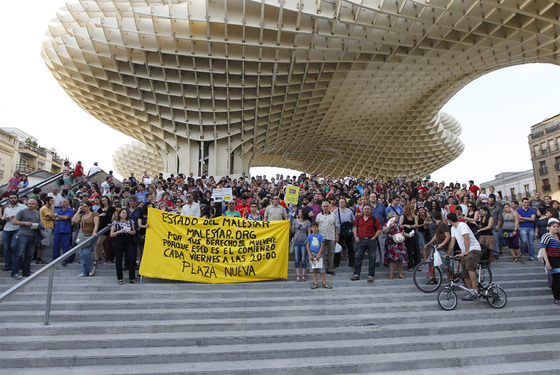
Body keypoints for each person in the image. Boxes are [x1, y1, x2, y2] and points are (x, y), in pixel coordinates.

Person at [446, 212, 482, 301]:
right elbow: (452, 241)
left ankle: (475, 290)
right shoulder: (453, 229)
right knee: (464, 273)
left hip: (473, 249)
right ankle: (470, 292)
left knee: (470, 268)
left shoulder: (462, 225)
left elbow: (466, 237)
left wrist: (466, 251)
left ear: (449, 220)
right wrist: (448, 253)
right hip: (465, 252)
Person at [11, 199, 42, 280]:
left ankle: (26, 271)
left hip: (32, 235)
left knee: (29, 255)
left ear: (36, 205)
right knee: (19, 254)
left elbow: (38, 222)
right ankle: (15, 272)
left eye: (32, 204)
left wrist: (39, 226)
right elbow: (14, 222)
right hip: (23, 235)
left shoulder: (36, 212)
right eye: (29, 203)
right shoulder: (22, 211)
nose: (30, 205)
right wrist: (24, 223)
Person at [352, 204, 382, 282]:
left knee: (372, 258)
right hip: (361, 240)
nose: (366, 210)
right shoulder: (359, 218)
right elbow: (355, 227)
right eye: (365, 209)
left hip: (370, 240)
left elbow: (379, 229)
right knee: (358, 257)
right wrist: (356, 236)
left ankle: (371, 275)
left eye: (368, 209)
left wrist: (374, 238)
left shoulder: (374, 219)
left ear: (371, 210)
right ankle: (356, 274)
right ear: (362, 210)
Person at [110, 208, 138, 284]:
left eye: (125, 213)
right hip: (118, 240)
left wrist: (129, 232)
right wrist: (119, 231)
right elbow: (111, 234)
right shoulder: (115, 222)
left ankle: (132, 277)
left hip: (129, 240)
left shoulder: (130, 222)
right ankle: (120, 278)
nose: (124, 214)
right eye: (122, 213)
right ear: (119, 214)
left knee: (132, 258)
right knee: (119, 259)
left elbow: (134, 231)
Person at [71, 200, 99, 277]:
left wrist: (94, 232)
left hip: (90, 235)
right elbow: (73, 220)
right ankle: (84, 270)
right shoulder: (82, 215)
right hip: (82, 235)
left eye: (85, 206)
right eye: (83, 206)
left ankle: (90, 268)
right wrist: (78, 211)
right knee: (82, 254)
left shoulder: (94, 214)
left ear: (89, 207)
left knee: (86, 252)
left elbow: (96, 224)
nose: (84, 208)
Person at [2, 193, 27, 272]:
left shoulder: (22, 207)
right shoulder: (7, 208)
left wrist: (17, 218)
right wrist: (6, 218)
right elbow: (3, 219)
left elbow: (27, 216)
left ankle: (19, 263)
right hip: (7, 228)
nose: (13, 199)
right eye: (11, 198)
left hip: (17, 228)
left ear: (17, 198)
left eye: (14, 198)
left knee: (14, 245)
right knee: (6, 248)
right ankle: (7, 265)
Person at [540, 218, 560, 307]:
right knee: (556, 279)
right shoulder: (546, 236)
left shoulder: (557, 236)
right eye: (554, 226)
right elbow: (543, 249)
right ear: (549, 227)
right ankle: (557, 298)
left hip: (558, 259)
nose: (556, 228)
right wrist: (547, 262)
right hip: (552, 260)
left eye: (557, 226)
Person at [306, 222, 331, 289]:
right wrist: (310, 254)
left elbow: (322, 246)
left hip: (318, 254)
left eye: (315, 227)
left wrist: (319, 254)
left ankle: (324, 283)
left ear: (318, 228)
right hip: (312, 253)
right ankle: (315, 283)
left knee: (321, 269)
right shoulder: (310, 236)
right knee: (313, 269)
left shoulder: (320, 236)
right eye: (313, 227)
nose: (314, 229)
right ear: (311, 228)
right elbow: (307, 246)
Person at [383, 212, 408, 279]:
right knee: (392, 259)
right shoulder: (387, 224)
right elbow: (384, 231)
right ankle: (391, 274)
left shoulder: (398, 225)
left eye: (396, 217)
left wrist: (409, 235)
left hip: (400, 243)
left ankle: (400, 273)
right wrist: (389, 226)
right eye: (394, 217)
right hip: (391, 243)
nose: (396, 218)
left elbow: (403, 233)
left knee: (400, 259)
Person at [315, 201, 338, 275]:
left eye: (326, 206)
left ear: (329, 207)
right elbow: (316, 227)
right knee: (322, 254)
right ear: (321, 207)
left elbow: (336, 226)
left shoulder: (333, 215)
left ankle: (330, 269)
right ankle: (323, 268)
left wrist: (336, 235)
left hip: (331, 236)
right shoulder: (318, 216)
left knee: (331, 253)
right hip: (321, 237)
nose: (325, 208)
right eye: (324, 206)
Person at [334, 198, 356, 268]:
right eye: (340, 202)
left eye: (343, 202)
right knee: (338, 248)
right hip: (339, 231)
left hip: (348, 231)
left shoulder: (349, 211)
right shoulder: (335, 211)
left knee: (350, 247)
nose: (341, 203)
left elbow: (353, 220)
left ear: (345, 203)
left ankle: (351, 262)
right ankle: (336, 263)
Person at [52, 198, 75, 263]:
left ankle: (65, 259)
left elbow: (66, 217)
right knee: (55, 245)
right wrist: (61, 217)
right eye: (62, 201)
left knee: (66, 245)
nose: (63, 203)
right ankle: (55, 259)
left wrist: (58, 216)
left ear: (68, 203)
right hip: (57, 229)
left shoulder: (70, 210)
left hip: (66, 229)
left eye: (65, 201)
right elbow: (54, 218)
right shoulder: (59, 210)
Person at [95, 196, 115, 265]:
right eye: (102, 200)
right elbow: (96, 217)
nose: (104, 202)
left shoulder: (112, 208)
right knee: (97, 244)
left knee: (98, 243)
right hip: (100, 227)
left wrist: (112, 223)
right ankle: (98, 258)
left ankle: (100, 258)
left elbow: (115, 216)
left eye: (105, 200)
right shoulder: (100, 209)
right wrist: (100, 215)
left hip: (107, 228)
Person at [400, 202, 420, 271]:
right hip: (406, 234)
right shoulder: (403, 216)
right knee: (409, 250)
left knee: (416, 249)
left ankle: (418, 264)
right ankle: (410, 265)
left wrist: (410, 226)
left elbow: (416, 225)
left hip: (413, 233)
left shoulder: (414, 216)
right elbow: (400, 225)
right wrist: (405, 226)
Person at [292, 208, 311, 282]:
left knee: (303, 259)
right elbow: (293, 231)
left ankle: (303, 275)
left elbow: (309, 233)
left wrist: (308, 242)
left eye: (302, 212)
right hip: (296, 240)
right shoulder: (295, 221)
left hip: (304, 241)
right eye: (300, 211)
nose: (301, 213)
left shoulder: (307, 222)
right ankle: (297, 275)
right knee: (297, 259)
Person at [38, 196, 55, 264]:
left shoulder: (48, 208)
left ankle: (39, 257)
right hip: (45, 227)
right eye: (51, 201)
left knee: (44, 243)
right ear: (47, 201)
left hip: (49, 226)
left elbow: (51, 218)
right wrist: (53, 210)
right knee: (43, 243)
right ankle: (38, 258)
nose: (52, 203)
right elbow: (50, 216)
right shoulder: (45, 208)